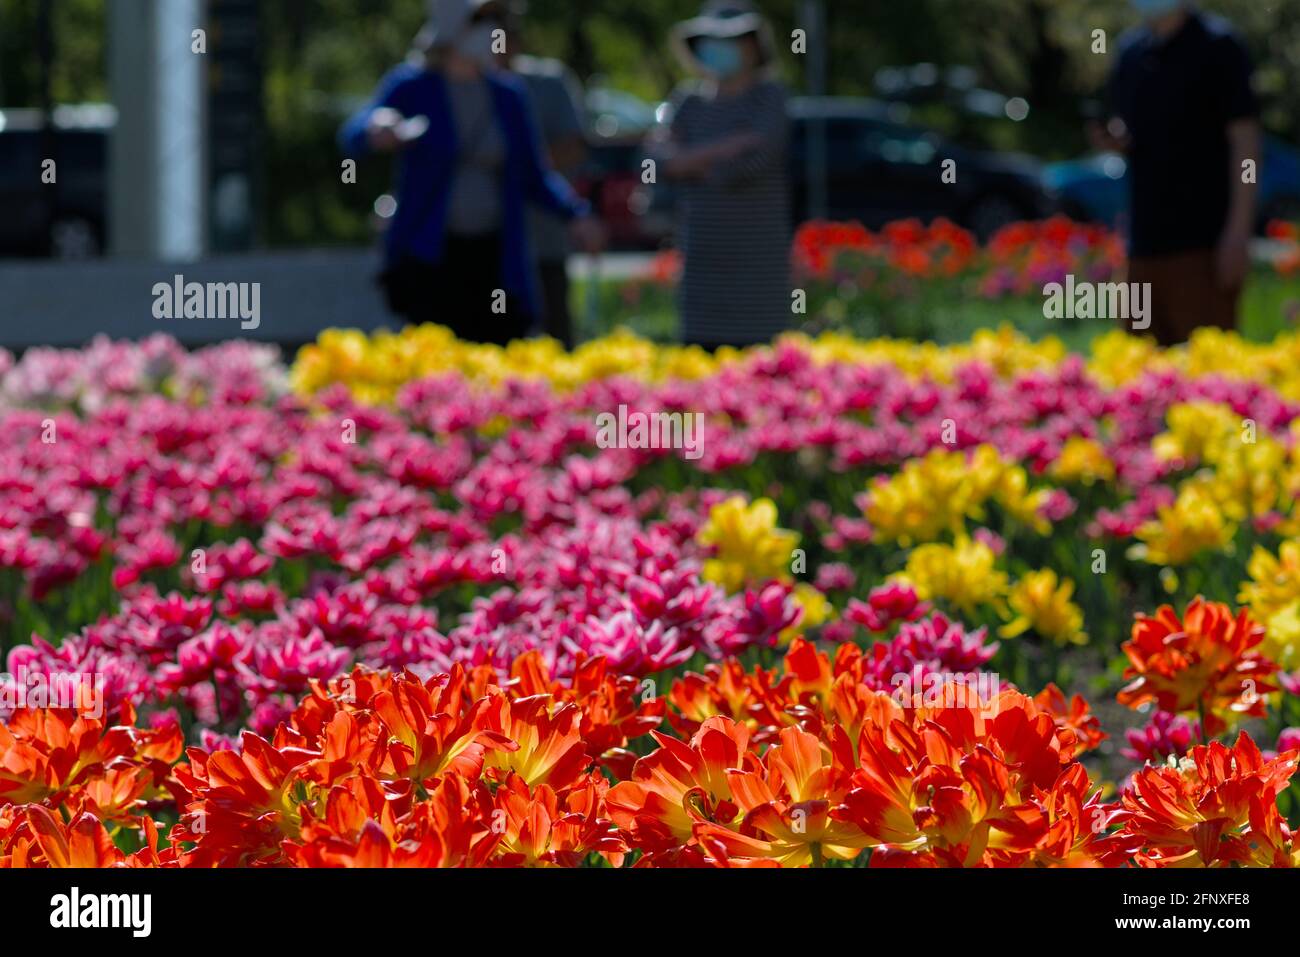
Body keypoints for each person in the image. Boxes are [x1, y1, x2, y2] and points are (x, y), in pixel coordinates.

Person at [339, 0, 603, 345]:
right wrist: (377, 128)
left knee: (496, 345)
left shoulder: (508, 95)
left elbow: (533, 175)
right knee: (434, 353)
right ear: (451, 29)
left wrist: (576, 215)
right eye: (480, 20)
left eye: (495, 20)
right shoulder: (412, 86)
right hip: (430, 256)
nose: (491, 29)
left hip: (494, 254)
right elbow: (353, 135)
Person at [1097, 0, 1261, 345]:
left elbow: (1246, 146)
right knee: (1140, 380)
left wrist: (1239, 230)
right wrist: (1112, 139)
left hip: (1204, 248)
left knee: (1206, 378)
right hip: (1142, 247)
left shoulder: (1219, 47)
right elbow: (1130, 131)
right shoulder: (1130, 52)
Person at [649, 1, 791, 350]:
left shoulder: (769, 97)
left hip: (757, 266)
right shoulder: (687, 102)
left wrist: (689, 162)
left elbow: (749, 167)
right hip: (701, 263)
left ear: (753, 45)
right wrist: (729, 145)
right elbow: (655, 164)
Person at [498, 4, 589, 348]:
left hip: (543, 237)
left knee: (555, 333)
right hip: (485, 245)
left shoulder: (547, 82)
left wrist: (516, 169)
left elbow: (574, 146)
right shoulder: (460, 85)